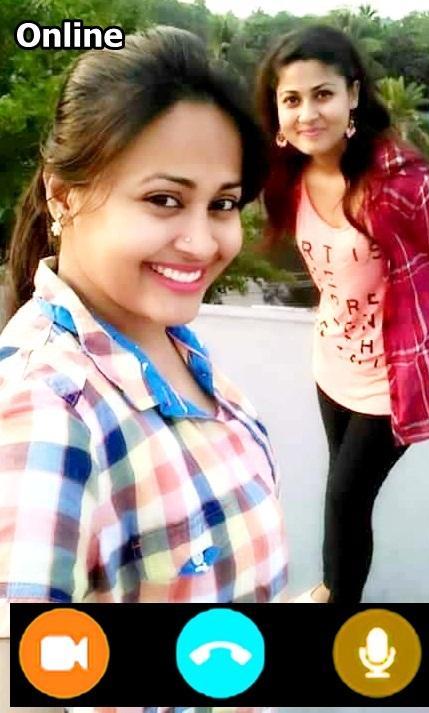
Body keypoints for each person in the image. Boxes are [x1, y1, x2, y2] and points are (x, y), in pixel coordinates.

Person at [0, 26, 288, 713]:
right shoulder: (48, 411)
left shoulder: (175, 351)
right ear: (63, 196)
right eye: (164, 199)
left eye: (222, 204)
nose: (202, 240)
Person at [256, 24, 429, 604]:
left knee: (345, 497)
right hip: (331, 360)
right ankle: (336, 589)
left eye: (323, 94)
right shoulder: (289, 176)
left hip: (393, 377)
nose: (308, 113)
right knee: (341, 491)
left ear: (353, 95)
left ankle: (334, 602)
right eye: (292, 99)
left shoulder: (408, 186)